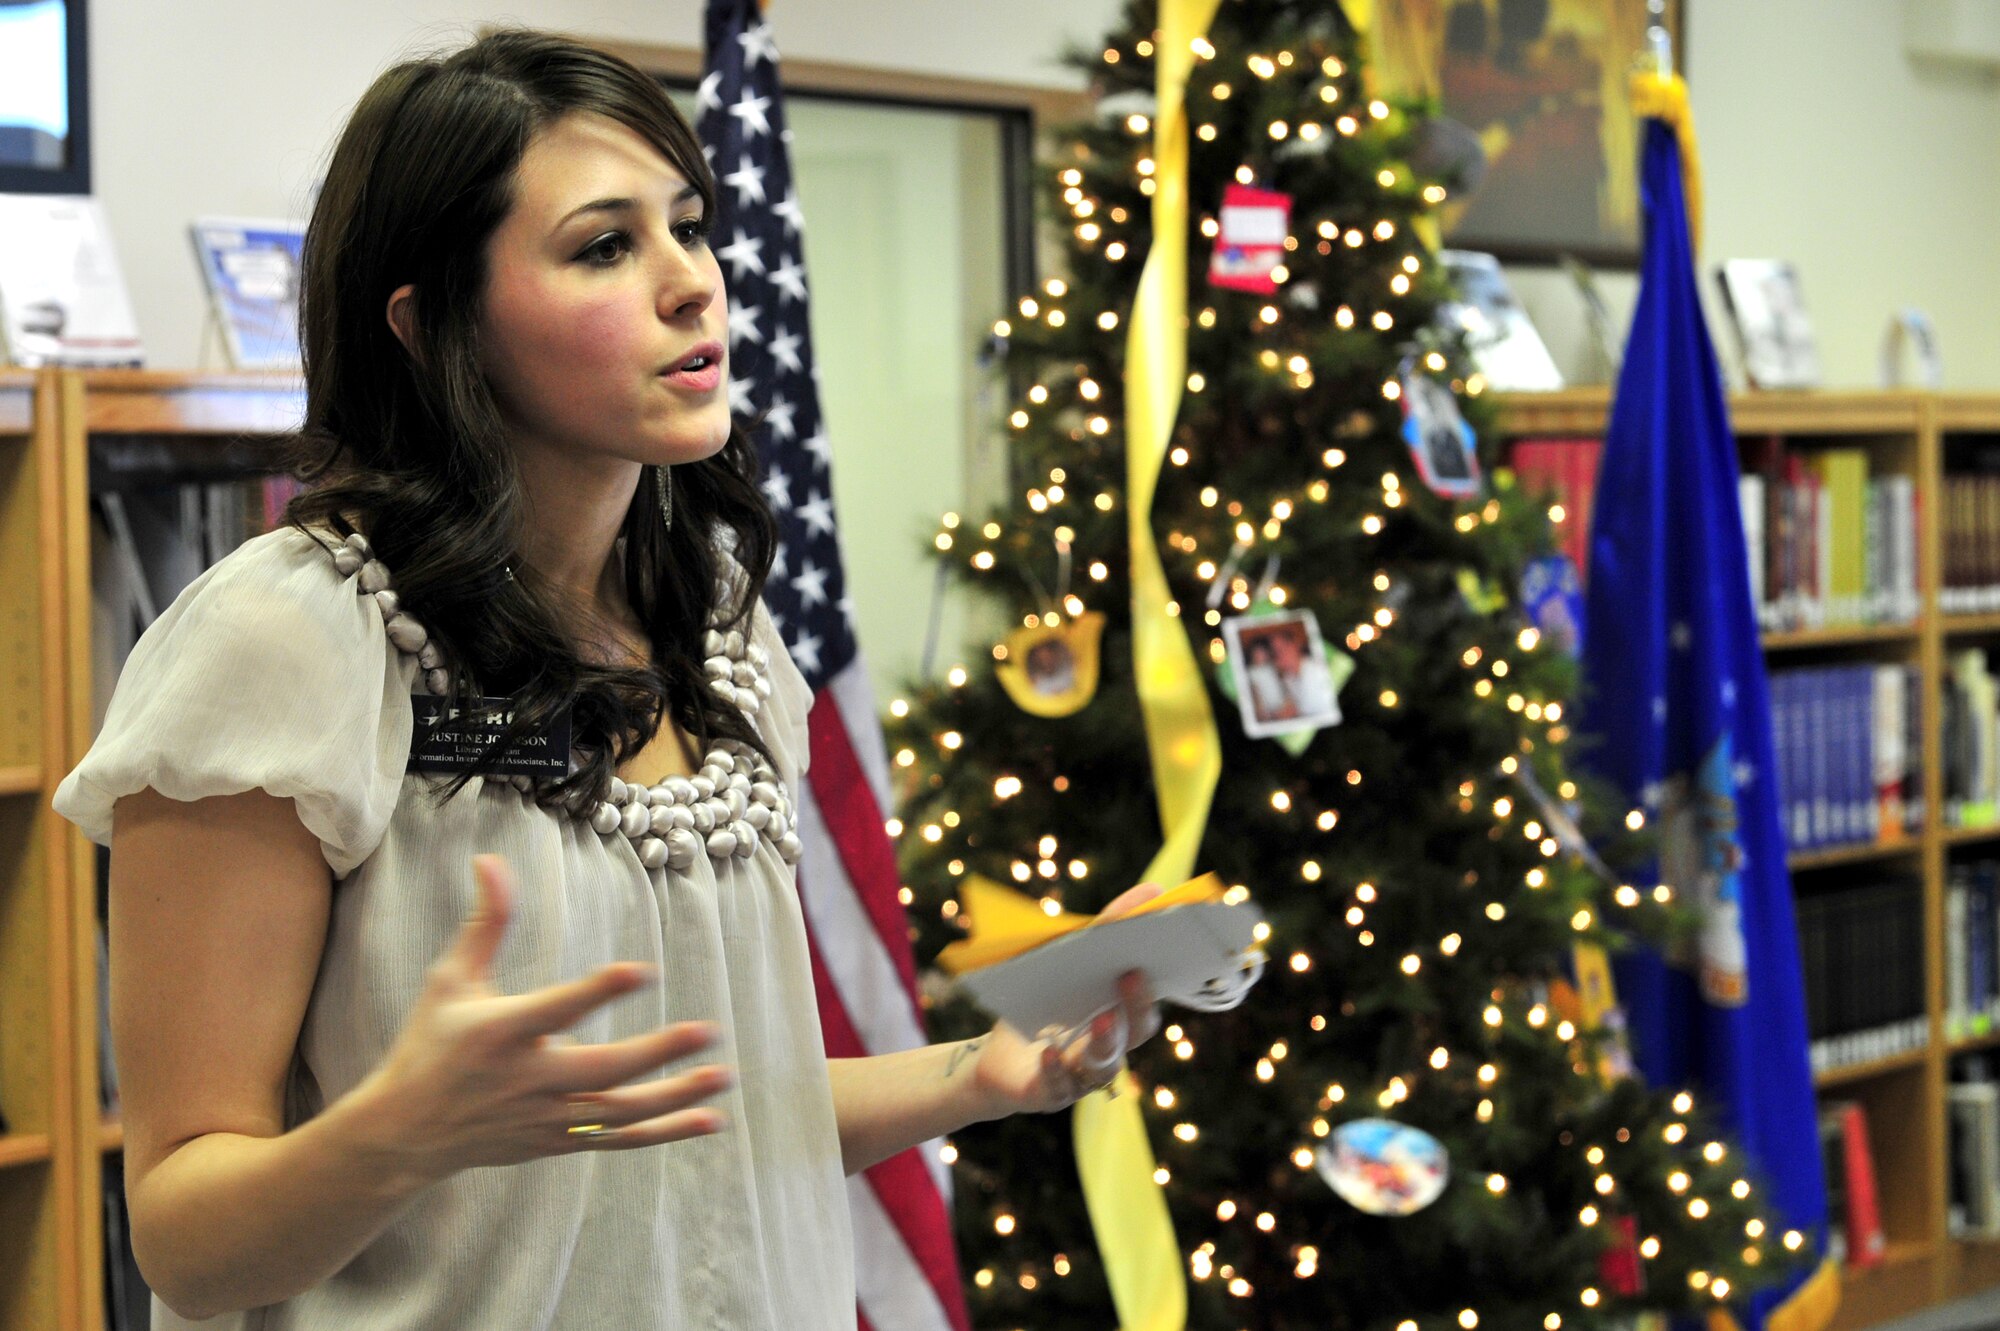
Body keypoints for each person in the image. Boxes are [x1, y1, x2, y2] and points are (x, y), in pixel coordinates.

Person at [54, 30, 1158, 1330]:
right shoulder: (286, 639)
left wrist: (979, 1073)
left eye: (688, 228)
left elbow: (704, 1121)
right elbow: (183, 1238)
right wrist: (399, 1134)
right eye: (603, 247)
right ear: (434, 325)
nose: (692, 285)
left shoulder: (719, 620)